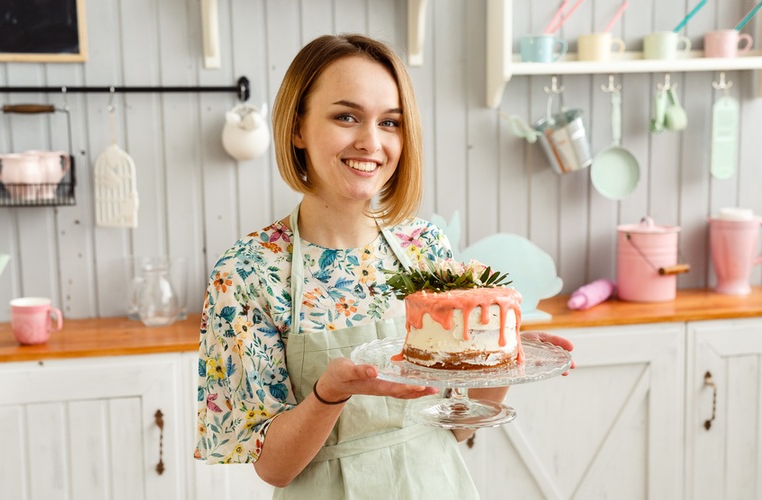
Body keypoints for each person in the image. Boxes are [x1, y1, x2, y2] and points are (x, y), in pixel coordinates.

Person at [195, 33, 575, 498]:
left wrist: (502, 361)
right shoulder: (249, 272)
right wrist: (329, 394)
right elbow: (274, 468)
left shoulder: (424, 246)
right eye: (346, 116)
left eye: (390, 122)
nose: (371, 142)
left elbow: (453, 426)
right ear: (297, 128)